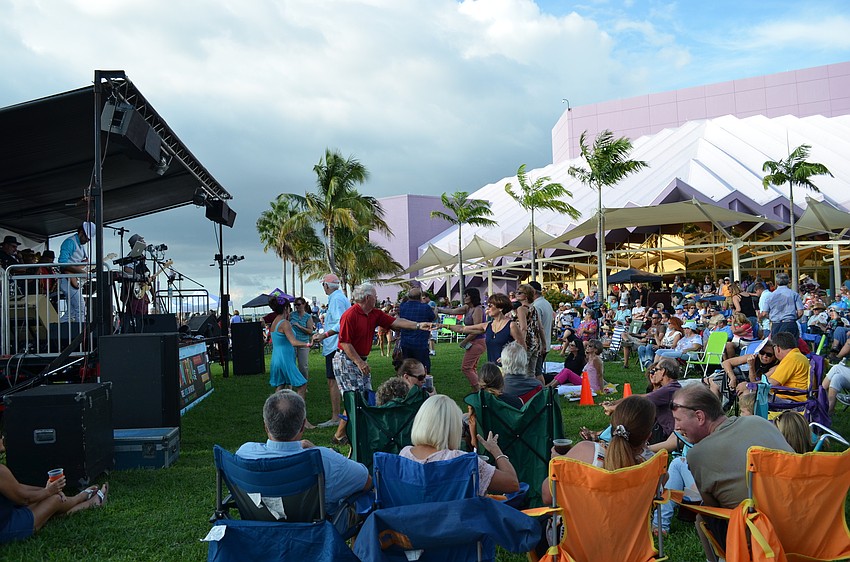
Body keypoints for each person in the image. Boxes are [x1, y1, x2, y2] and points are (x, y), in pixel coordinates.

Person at [670, 384, 792, 561]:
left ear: (699, 416)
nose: (676, 427)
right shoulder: (759, 422)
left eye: (678, 420)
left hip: (761, 539)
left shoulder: (699, 454)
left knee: (702, 517)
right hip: (804, 527)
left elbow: (712, 507)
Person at [236, 390, 371, 518]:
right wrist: (317, 450)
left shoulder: (245, 454)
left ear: (266, 426)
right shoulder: (324, 459)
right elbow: (367, 481)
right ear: (302, 426)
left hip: (261, 533)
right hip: (314, 534)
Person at [331, 283, 430, 443]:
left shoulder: (374, 314)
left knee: (364, 395)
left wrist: (417, 325)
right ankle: (343, 435)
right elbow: (345, 343)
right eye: (375, 296)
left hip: (359, 359)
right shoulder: (350, 315)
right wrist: (359, 362)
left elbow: (395, 322)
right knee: (354, 397)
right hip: (346, 360)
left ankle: (346, 433)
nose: (377, 298)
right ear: (368, 297)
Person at [541, 396, 656, 504]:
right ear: (648, 435)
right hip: (633, 526)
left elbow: (548, 496)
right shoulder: (654, 465)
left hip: (580, 525)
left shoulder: (586, 451)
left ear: (612, 424)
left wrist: (557, 465)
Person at [399, 394, 519, 496]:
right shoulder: (462, 461)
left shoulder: (405, 455)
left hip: (410, 521)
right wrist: (496, 450)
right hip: (457, 521)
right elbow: (513, 484)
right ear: (453, 428)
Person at [0, 436, 107, 544]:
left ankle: (87, 500)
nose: (3, 438)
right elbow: (24, 499)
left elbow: (18, 487)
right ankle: (85, 499)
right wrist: (48, 492)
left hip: (7, 514)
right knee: (55, 500)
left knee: (48, 501)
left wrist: (47, 490)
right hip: (5, 528)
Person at [603, 357, 682, 442]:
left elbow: (640, 402)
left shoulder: (669, 390)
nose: (654, 373)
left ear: (663, 371)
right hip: (661, 429)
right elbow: (639, 396)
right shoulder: (670, 388)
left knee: (632, 415)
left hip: (663, 433)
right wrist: (614, 403)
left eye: (656, 370)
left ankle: (605, 438)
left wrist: (614, 408)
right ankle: (604, 436)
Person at [439, 293, 524, 364]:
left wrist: (508, 357)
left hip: (509, 370)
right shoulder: (487, 325)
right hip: (493, 370)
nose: (487, 308)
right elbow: (463, 329)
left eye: (490, 306)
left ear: (500, 308)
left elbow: (522, 347)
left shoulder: (511, 326)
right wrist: (442, 326)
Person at [313, 274, 350, 429]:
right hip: (335, 345)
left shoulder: (336, 300)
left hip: (335, 346)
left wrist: (324, 335)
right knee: (336, 381)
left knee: (334, 381)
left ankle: (337, 416)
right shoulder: (338, 298)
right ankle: (341, 414)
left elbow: (342, 323)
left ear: (326, 286)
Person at [267, 295, 313, 419]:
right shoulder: (285, 323)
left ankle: (275, 415)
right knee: (302, 385)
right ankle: (301, 417)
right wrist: (307, 343)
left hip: (276, 357)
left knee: (280, 386)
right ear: (286, 308)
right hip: (285, 358)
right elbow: (293, 341)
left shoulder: (275, 322)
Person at [437, 288, 486, 391]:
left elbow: (477, 329)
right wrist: (438, 309)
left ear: (472, 297)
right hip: (472, 341)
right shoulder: (467, 308)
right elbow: (452, 311)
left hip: (477, 341)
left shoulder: (478, 309)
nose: (464, 297)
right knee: (472, 367)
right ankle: (478, 389)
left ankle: (478, 390)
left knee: (466, 368)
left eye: (466, 295)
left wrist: (465, 341)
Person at [57, 222, 94, 322]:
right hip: (67, 279)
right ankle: (81, 333)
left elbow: (77, 262)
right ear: (81, 232)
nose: (87, 240)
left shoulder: (78, 245)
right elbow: (62, 262)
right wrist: (80, 271)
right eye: (86, 238)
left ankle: (55, 329)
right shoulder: (70, 242)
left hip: (70, 279)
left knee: (72, 311)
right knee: (81, 308)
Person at [398, 283, 436, 373]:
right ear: (420, 297)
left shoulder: (403, 306)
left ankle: (408, 380)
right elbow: (433, 317)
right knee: (423, 364)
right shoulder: (425, 307)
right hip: (420, 341)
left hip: (405, 341)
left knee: (407, 365)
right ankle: (423, 380)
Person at [118, 233, 151, 333]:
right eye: (142, 240)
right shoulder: (132, 256)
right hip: (133, 290)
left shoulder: (141, 257)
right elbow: (127, 269)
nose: (145, 243)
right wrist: (138, 276)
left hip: (139, 290)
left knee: (141, 312)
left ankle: (140, 331)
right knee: (133, 312)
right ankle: (129, 332)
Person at [767, 331, 810, 403]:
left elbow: (771, 383)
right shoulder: (797, 356)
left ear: (777, 348)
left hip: (790, 400)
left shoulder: (791, 359)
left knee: (750, 396)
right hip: (796, 397)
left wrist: (751, 385)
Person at [513, 284, 544, 378]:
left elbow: (523, 328)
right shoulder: (533, 309)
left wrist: (521, 344)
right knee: (531, 373)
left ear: (526, 295)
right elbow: (540, 327)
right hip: (535, 344)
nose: (516, 294)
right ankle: (534, 391)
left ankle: (526, 391)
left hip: (526, 343)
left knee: (522, 372)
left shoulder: (521, 309)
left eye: (519, 292)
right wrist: (544, 344)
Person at [763, 273, 804, 337]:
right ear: (788, 282)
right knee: (791, 345)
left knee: (777, 344)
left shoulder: (770, 296)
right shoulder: (794, 294)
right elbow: (800, 312)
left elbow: (764, 313)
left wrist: (771, 318)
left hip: (776, 324)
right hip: (790, 323)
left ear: (776, 282)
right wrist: (793, 318)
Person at [528, 281, 554, 378]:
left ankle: (541, 391)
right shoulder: (546, 303)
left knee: (535, 372)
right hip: (545, 342)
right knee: (537, 372)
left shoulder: (536, 306)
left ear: (533, 291)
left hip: (538, 345)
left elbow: (537, 327)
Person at [289, 297, 315, 384]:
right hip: (292, 343)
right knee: (291, 365)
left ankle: (303, 384)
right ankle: (291, 384)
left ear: (303, 305)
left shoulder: (308, 317)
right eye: (295, 305)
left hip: (303, 343)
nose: (297, 306)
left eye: (299, 304)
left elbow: (310, 331)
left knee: (303, 366)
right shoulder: (292, 315)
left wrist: (299, 326)